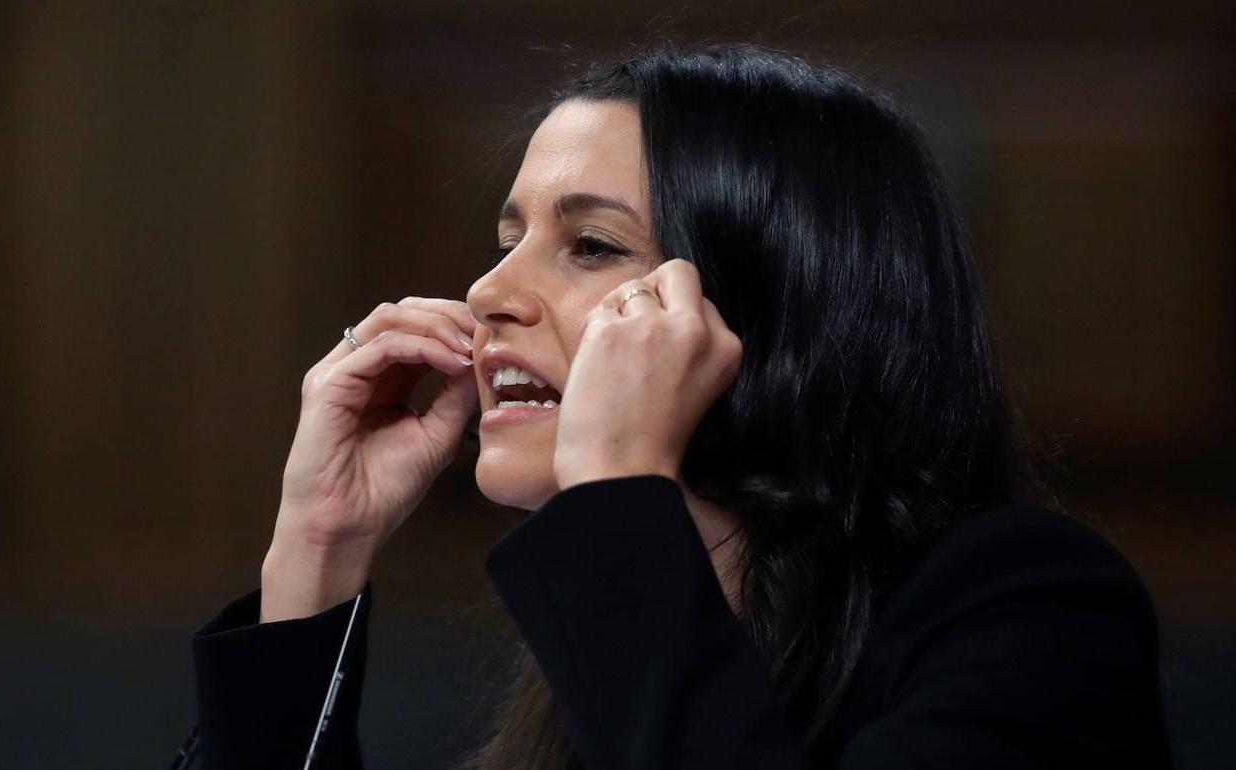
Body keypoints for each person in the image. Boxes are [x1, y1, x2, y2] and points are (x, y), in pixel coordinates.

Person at [175, 43, 1174, 769]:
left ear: (773, 312)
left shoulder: (1031, 609)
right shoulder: (594, 654)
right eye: (507, 236)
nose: (487, 292)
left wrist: (617, 495)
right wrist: (316, 549)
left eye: (592, 245)